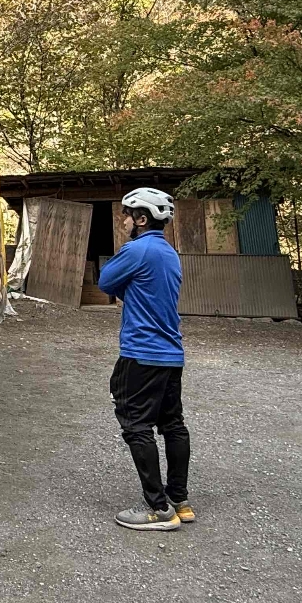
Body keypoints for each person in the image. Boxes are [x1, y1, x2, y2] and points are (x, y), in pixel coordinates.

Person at [99, 187, 192, 532]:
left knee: (136, 425)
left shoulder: (136, 250)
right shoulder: (169, 252)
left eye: (127, 214)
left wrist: (126, 289)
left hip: (141, 353)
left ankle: (158, 509)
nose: (123, 220)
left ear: (141, 219)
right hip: (171, 353)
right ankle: (179, 500)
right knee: (173, 424)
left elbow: (105, 281)